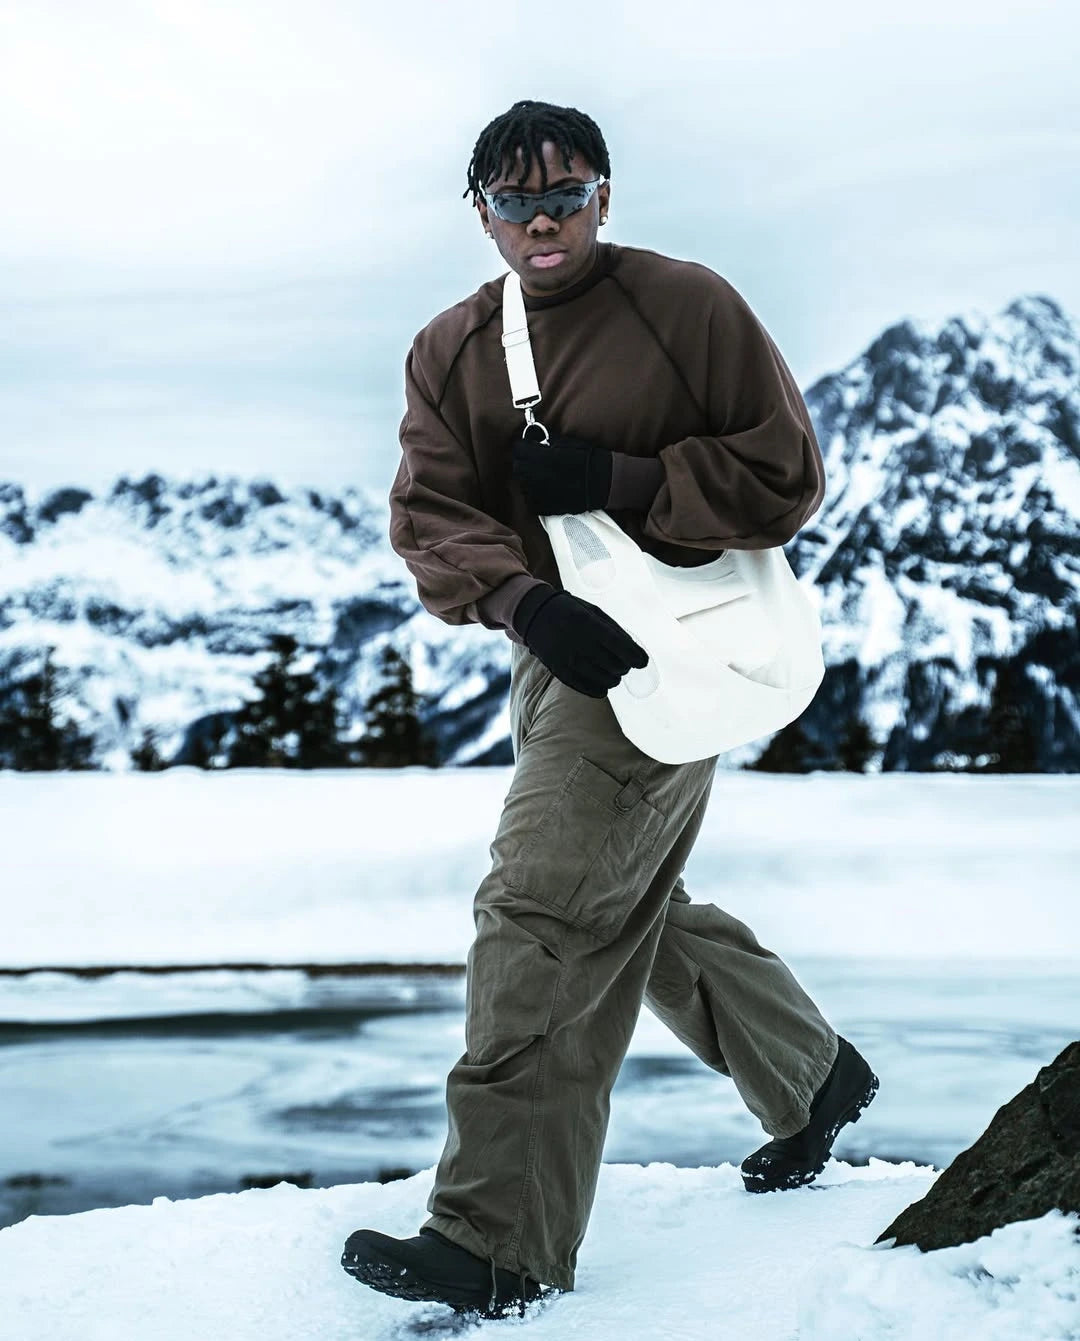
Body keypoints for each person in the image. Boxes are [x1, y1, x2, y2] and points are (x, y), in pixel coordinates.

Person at [341, 99, 878, 1319]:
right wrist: (524, 604)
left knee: (538, 912)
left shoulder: (684, 304)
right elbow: (431, 511)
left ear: (606, 194)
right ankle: (811, 1075)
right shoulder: (451, 347)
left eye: (567, 191)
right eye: (515, 199)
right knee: (623, 898)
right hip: (553, 650)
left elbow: (786, 472)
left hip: (673, 647)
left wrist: (625, 481)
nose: (544, 218)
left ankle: (495, 1239)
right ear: (479, 213)